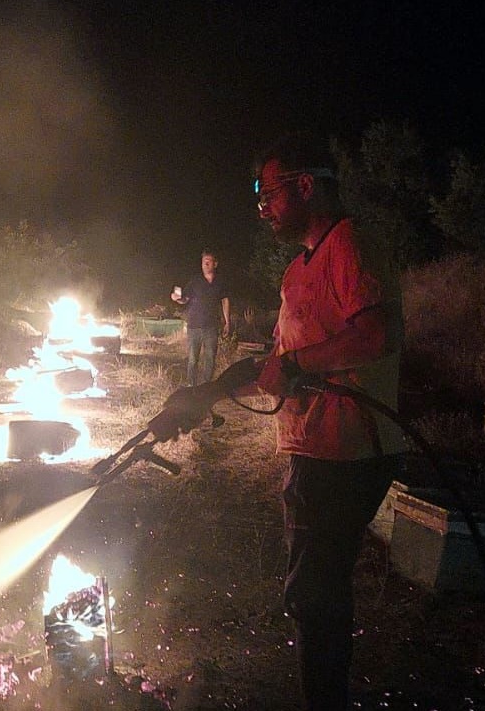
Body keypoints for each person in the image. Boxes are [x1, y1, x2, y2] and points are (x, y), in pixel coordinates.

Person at [151, 133, 406, 711]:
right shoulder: (298, 271)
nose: (262, 207)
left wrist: (296, 364)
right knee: (315, 592)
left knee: (315, 594)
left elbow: (375, 334)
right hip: (313, 446)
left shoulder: (351, 244)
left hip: (348, 448)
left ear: (307, 186)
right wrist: (203, 396)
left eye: (269, 194)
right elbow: (270, 367)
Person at [171, 248, 231, 386]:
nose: (205, 265)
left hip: (211, 327)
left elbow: (225, 300)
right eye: (204, 262)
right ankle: (191, 386)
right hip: (194, 326)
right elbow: (184, 299)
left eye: (208, 262)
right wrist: (176, 298)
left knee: (210, 357)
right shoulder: (195, 281)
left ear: (215, 264)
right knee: (193, 359)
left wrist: (228, 322)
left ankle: (206, 387)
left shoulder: (220, 282)